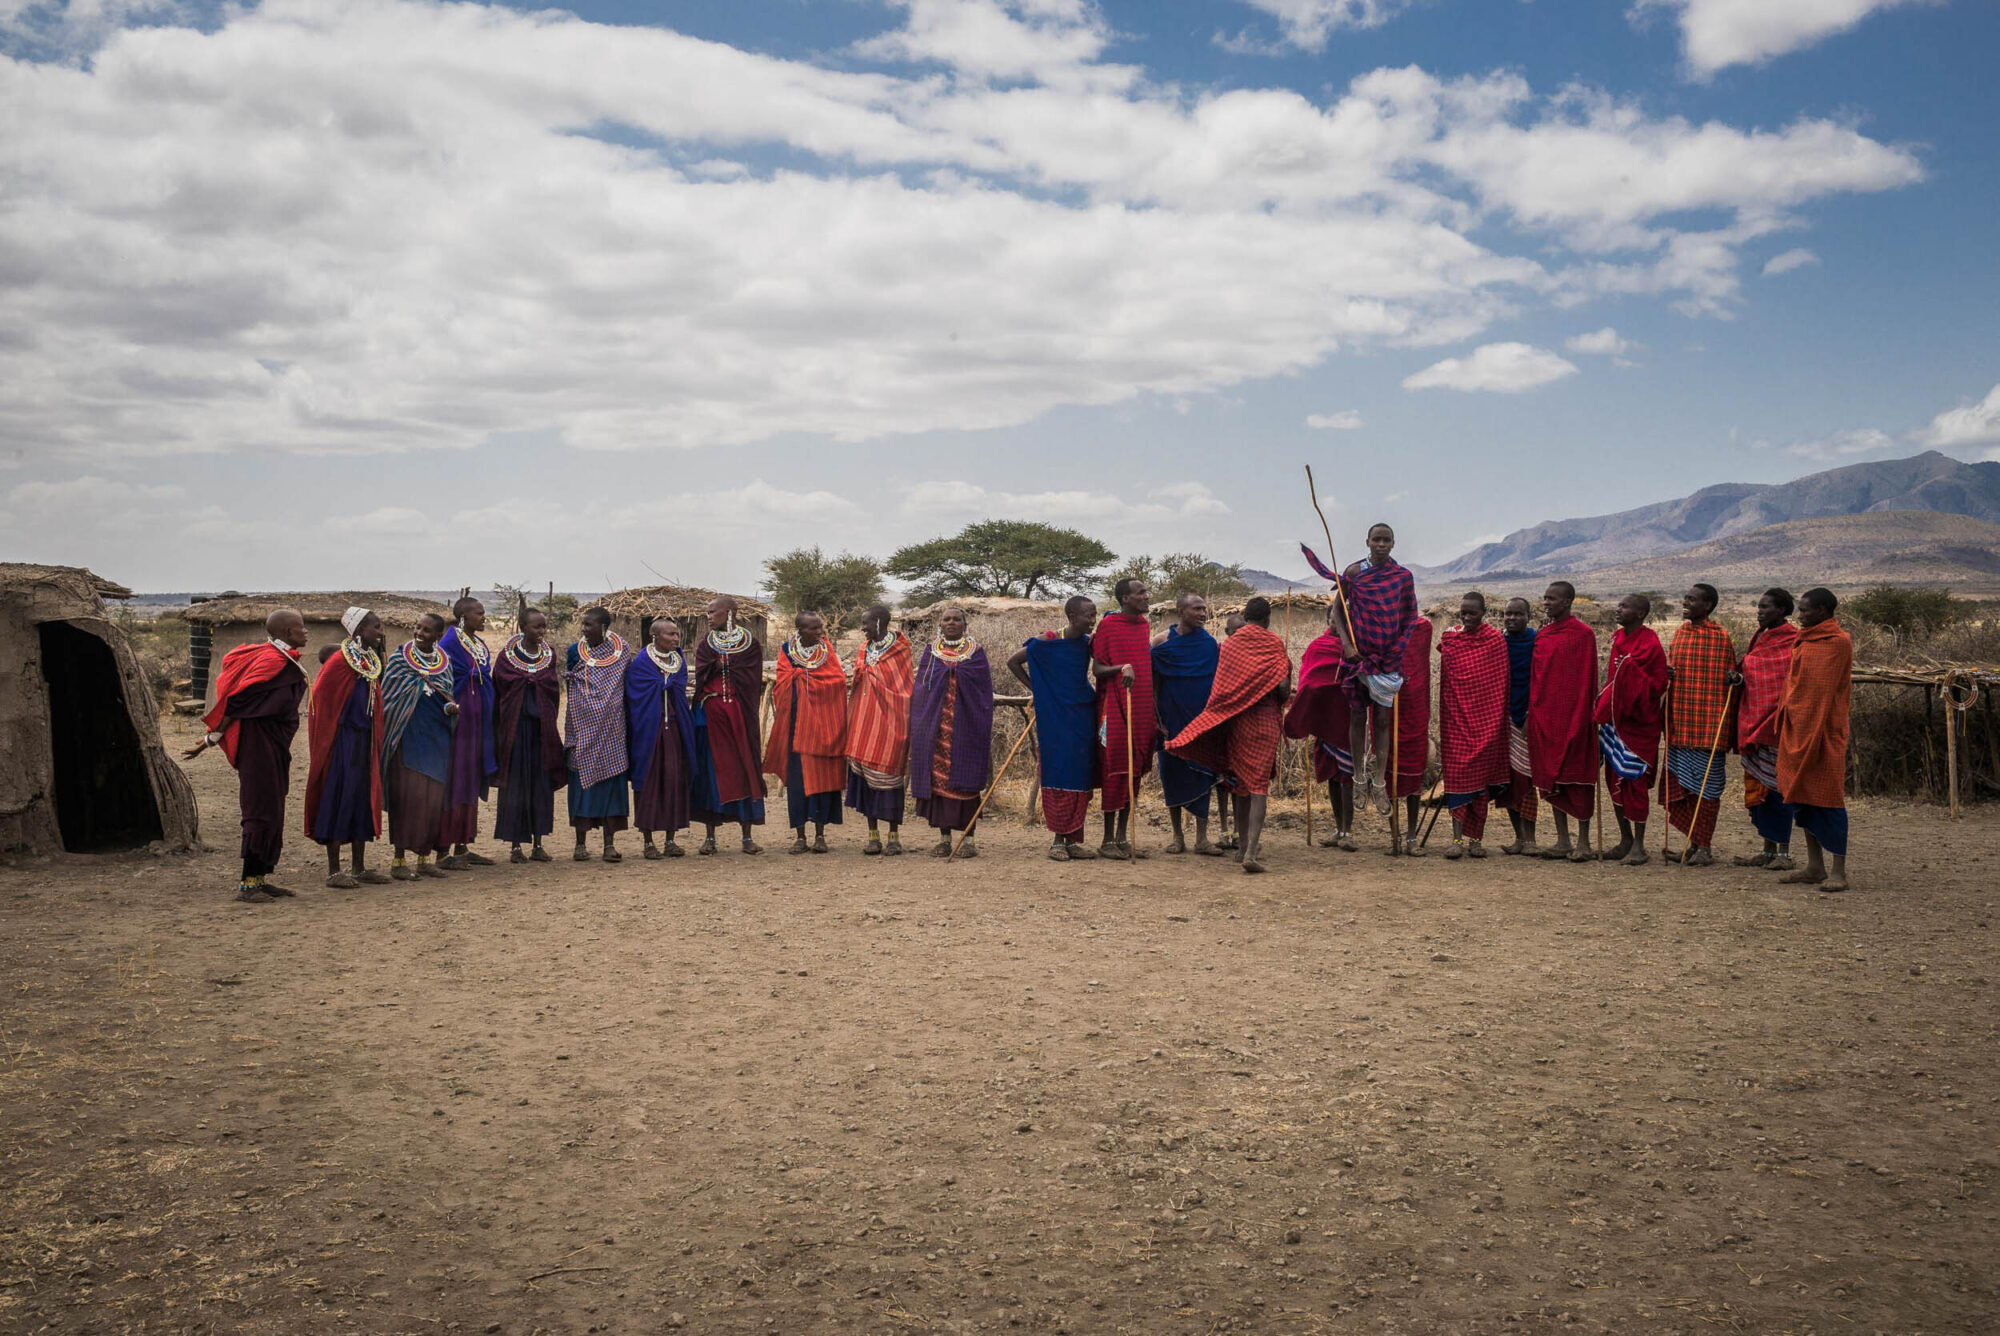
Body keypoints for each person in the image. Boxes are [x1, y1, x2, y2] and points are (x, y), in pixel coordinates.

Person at [1164, 596, 1292, 873]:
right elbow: (1283, 688)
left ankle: (1243, 844)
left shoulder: (1231, 644)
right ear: (1268, 619)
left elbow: (1221, 689)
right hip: (1265, 720)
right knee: (1259, 788)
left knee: (1242, 785)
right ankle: (1249, 851)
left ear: (1246, 617)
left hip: (1238, 722)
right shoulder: (1273, 643)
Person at [191, 608, 310, 902]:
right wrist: (210, 738)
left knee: (273, 808)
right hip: (257, 746)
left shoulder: (283, 660)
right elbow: (236, 701)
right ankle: (247, 885)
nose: (306, 632)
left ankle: (261, 876)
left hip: (273, 746)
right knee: (258, 809)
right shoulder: (271, 661)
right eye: (301, 628)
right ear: (286, 633)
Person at [1009, 595, 1100, 861]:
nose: (1092, 621)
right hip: (1055, 717)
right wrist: (1038, 689)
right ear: (1072, 617)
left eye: (1095, 615)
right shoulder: (1046, 641)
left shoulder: (1087, 644)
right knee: (1059, 770)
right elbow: (1013, 662)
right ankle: (1057, 841)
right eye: (1088, 616)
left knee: (1081, 773)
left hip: (1083, 712)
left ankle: (1073, 840)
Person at [304, 607, 389, 888]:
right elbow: (321, 702)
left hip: (363, 742)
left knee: (361, 798)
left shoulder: (369, 661)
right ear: (360, 630)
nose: (380, 632)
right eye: (375, 627)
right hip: (342, 744)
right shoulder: (340, 662)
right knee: (338, 797)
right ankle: (333, 871)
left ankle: (359, 867)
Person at [1776, 587, 1852, 892]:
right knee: (1803, 799)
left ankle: (1839, 871)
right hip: (1798, 728)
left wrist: (1809, 720)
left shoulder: (1838, 642)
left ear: (1823, 611)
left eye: (1806, 610)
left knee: (1829, 800)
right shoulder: (1803, 640)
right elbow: (1796, 685)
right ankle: (1814, 866)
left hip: (1824, 732)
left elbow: (1823, 691)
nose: (1800, 615)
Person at [909, 605, 994, 857]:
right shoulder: (931, 653)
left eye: (957, 619)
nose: (952, 623)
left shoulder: (976, 654)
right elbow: (922, 690)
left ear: (965, 624)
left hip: (967, 727)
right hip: (936, 729)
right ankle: (944, 838)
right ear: (940, 624)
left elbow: (983, 692)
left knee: (966, 782)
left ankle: (969, 840)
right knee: (939, 783)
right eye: (947, 619)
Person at [1664, 583, 1738, 866]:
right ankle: (1692, 845)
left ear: (1707, 606)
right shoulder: (1681, 633)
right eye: (1685, 598)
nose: (1685, 602)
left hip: (1708, 726)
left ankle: (1704, 847)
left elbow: (1730, 678)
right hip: (1681, 723)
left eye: (1692, 599)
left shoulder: (1720, 638)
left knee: (1707, 788)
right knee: (1687, 788)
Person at [381, 611, 458, 881]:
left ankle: (424, 858)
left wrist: (450, 707)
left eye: (426, 631)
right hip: (406, 739)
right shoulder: (400, 659)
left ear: (438, 636)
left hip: (435, 740)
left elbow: (446, 694)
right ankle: (399, 860)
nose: (419, 633)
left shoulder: (444, 662)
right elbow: (389, 698)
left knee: (431, 800)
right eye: (417, 627)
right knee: (406, 798)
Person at [1593, 594, 1669, 866]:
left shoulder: (1650, 645)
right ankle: (1625, 839)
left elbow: (1658, 684)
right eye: (1618, 605)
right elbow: (1613, 678)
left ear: (1639, 613)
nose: (1618, 609)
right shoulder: (1618, 639)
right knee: (1613, 777)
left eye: (1624, 607)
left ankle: (1639, 845)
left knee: (1634, 781)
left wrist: (1628, 672)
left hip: (1639, 724)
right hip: (1615, 720)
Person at [1727, 588, 1800, 870]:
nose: (1759, 611)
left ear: (1782, 610)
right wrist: (1738, 676)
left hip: (1777, 724)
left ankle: (1783, 853)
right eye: (1758, 606)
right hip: (1753, 718)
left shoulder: (1794, 639)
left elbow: (1787, 678)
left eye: (1765, 607)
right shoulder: (1761, 636)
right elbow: (1751, 670)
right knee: (1759, 788)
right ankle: (1767, 850)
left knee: (1778, 788)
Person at [764, 610, 848, 854]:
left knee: (823, 779)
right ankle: (800, 835)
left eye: (820, 627)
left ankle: (820, 835)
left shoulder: (826, 650)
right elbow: (782, 682)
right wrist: (799, 676)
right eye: (814, 628)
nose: (820, 632)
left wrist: (806, 678)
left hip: (823, 727)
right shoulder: (787, 651)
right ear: (800, 631)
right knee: (798, 782)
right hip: (796, 726)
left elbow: (837, 681)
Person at [1527, 581, 1599, 861]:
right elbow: (1537, 678)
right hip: (1546, 717)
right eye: (1544, 598)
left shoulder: (1584, 635)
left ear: (1568, 601)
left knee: (1578, 779)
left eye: (1552, 599)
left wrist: (1585, 717)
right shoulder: (1543, 635)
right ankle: (1562, 840)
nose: (1546, 603)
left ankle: (1584, 841)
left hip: (1576, 717)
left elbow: (1588, 679)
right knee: (1551, 778)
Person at [1435, 592, 1510, 860]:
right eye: (1462, 613)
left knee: (1480, 784)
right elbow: (1448, 672)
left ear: (1484, 612)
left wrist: (1494, 721)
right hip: (1456, 721)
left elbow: (1500, 683)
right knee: (1456, 781)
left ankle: (1476, 840)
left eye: (1472, 613)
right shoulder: (1451, 639)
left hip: (1486, 721)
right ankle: (1456, 839)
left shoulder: (1494, 641)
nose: (1466, 618)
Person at [692, 595, 766, 855]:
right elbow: (702, 673)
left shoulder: (750, 645)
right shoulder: (706, 644)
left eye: (713, 612)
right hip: (710, 717)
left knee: (744, 769)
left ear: (730, 613)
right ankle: (710, 837)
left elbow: (751, 680)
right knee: (710, 773)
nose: (709, 617)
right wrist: (717, 664)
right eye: (708, 613)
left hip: (739, 716)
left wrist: (729, 665)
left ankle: (747, 836)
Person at [492, 604, 564, 863]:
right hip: (515, 731)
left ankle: (538, 843)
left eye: (544, 626)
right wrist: (525, 682)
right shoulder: (506, 657)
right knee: (516, 787)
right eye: (537, 626)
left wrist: (535, 684)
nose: (542, 631)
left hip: (541, 731)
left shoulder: (549, 655)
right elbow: (501, 687)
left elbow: (551, 687)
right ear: (523, 629)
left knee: (539, 786)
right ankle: (514, 846)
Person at [1283, 604, 1357, 851]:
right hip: (1323, 720)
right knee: (1333, 778)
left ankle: (1348, 831)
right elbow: (1308, 680)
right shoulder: (1317, 647)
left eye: (1342, 621)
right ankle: (1338, 829)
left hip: (1346, 719)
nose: (1337, 626)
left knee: (1347, 776)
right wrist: (1304, 705)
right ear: (1328, 621)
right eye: (1333, 621)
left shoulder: (1355, 649)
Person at [1092, 577, 1156, 859]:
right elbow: (1097, 669)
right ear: (1125, 598)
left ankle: (1122, 837)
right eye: (1140, 593)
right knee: (1115, 767)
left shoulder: (1143, 625)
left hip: (1141, 707)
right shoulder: (1108, 625)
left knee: (1135, 770)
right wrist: (1121, 668)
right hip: (1114, 706)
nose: (1145, 596)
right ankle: (1106, 839)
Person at [1152, 592, 1221, 855]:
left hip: (1202, 721)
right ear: (1180, 612)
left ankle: (1202, 838)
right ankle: (1177, 836)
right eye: (1197, 609)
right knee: (1171, 775)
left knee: (1203, 774)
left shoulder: (1209, 644)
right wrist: (1157, 720)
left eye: (1205, 609)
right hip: (1170, 720)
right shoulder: (1161, 643)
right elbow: (1153, 686)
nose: (1203, 614)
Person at [846, 604, 914, 855]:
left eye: (866, 623)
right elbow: (858, 679)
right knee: (865, 781)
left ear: (879, 623)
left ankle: (893, 837)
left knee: (891, 780)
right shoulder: (865, 648)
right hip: (864, 722)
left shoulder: (900, 648)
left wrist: (873, 675)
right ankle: (872, 836)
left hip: (891, 722)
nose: (862, 628)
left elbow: (903, 686)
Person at [565, 606, 631, 862]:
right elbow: (573, 684)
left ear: (604, 628)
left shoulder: (621, 651)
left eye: (589, 625)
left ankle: (609, 844)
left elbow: (625, 684)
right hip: (582, 728)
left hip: (612, 728)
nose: (583, 629)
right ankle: (580, 844)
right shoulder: (574, 651)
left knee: (611, 785)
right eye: (582, 624)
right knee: (581, 782)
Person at [628, 616, 697, 859]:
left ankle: (670, 839)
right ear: (654, 636)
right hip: (649, 732)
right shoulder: (641, 663)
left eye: (677, 634)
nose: (676, 638)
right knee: (648, 783)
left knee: (674, 781)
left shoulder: (678, 661)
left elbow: (678, 689)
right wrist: (661, 686)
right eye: (670, 634)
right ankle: (648, 841)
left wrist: (667, 687)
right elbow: (636, 696)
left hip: (675, 731)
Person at [438, 597, 498, 870]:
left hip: (478, 724)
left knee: (470, 780)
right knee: (454, 781)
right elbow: (444, 681)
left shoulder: (479, 645)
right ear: (463, 616)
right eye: (479, 613)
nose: (484, 618)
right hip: (458, 725)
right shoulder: (449, 644)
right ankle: (442, 851)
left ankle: (463, 845)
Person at [1386, 610, 1434, 855]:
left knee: (1414, 772)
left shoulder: (1423, 628)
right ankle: (1394, 835)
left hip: (1415, 706)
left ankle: (1412, 837)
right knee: (1388, 774)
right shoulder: (1381, 628)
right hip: (1388, 706)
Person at [1497, 597, 1540, 855]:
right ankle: (1519, 838)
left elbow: (1542, 680)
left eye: (1517, 614)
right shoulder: (1498, 643)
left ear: (1528, 617)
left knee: (1526, 780)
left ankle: (1531, 839)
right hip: (1502, 720)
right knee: (1508, 781)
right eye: (1507, 614)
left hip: (1527, 719)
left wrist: (1531, 714)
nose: (1512, 618)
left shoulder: (1537, 642)